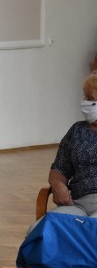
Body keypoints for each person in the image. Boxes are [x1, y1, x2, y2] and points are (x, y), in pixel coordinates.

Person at [39, 71, 97, 221]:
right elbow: (59, 168)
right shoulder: (77, 130)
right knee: (45, 227)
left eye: (90, 98)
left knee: (91, 230)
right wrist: (57, 183)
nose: (84, 101)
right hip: (77, 204)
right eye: (84, 96)